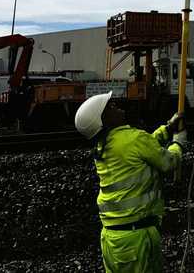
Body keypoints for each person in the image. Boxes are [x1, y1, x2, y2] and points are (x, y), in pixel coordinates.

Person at [74, 92, 187, 273]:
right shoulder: (133, 139)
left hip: (111, 240)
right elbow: (168, 162)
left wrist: (167, 129)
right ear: (104, 120)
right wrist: (178, 143)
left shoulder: (103, 146)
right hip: (137, 238)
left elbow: (143, 147)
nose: (118, 108)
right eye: (111, 107)